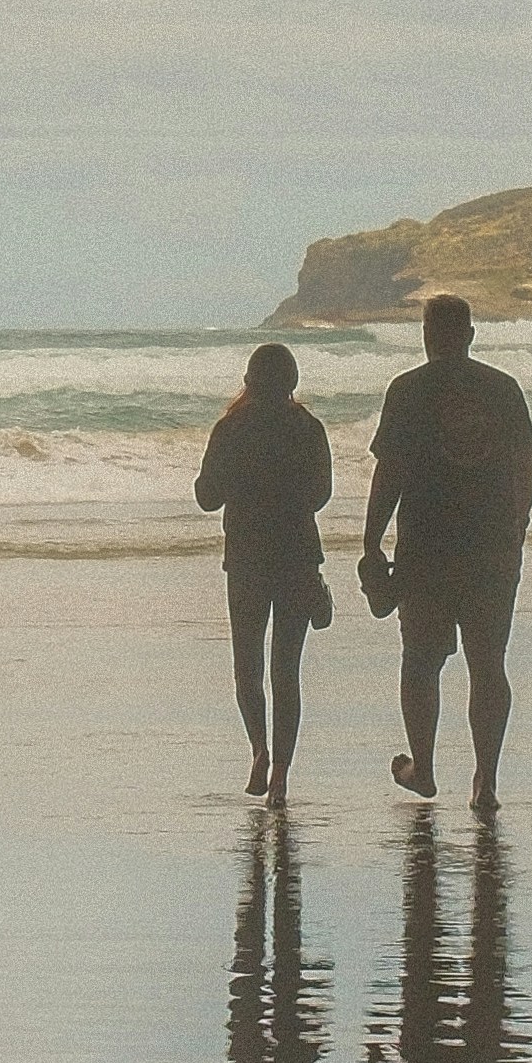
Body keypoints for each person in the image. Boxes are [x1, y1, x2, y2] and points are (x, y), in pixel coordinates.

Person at [360, 289, 532, 802]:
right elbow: (526, 466)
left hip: (426, 547)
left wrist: (371, 542)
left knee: (421, 659)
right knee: (488, 664)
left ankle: (427, 769)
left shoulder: (408, 390)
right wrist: (516, 527)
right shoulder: (503, 389)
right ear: (470, 335)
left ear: (427, 336)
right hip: (492, 549)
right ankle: (486, 780)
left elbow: (388, 473)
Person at [193, 338, 336, 797]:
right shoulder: (308, 428)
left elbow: (206, 497)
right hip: (297, 557)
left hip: (247, 559)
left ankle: (258, 749)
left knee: (247, 666)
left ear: (248, 381)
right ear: (293, 382)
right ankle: (280, 778)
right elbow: (320, 496)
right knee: (285, 670)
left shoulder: (231, 429)